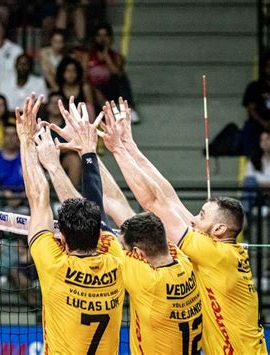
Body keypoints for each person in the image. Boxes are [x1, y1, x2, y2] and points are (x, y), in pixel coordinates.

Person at [100, 97, 267, 353]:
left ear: (220, 229)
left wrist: (118, 150)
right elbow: (169, 198)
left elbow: (154, 202)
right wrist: (130, 146)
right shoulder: (219, 249)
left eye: (201, 215)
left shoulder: (215, 255)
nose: (193, 219)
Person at [38, 98, 203, 353]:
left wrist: (84, 153)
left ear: (137, 254)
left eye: (123, 244)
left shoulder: (141, 276)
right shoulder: (185, 260)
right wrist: (88, 151)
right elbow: (115, 205)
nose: (117, 244)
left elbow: (95, 217)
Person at [16, 93, 124, 353]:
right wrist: (86, 151)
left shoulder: (54, 264)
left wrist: (27, 140)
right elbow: (97, 207)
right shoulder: (116, 257)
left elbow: (38, 197)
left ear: (61, 238)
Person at [83, 23, 139, 123]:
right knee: (90, 87)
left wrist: (106, 55)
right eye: (99, 35)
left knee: (122, 77)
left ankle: (128, 109)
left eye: (105, 35)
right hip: (93, 90)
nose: (102, 39)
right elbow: (83, 76)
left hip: (110, 88)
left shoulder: (117, 56)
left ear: (110, 38)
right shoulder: (88, 56)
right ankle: (110, 111)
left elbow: (116, 72)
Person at [241, 53, 270, 156]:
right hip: (258, 126)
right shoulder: (255, 87)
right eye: (268, 66)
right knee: (250, 130)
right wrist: (264, 123)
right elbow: (251, 108)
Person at [242, 131, 270, 212]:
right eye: (262, 140)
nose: (265, 143)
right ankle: (246, 215)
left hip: (262, 188)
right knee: (249, 182)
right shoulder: (253, 161)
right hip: (258, 194)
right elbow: (249, 180)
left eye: (268, 139)